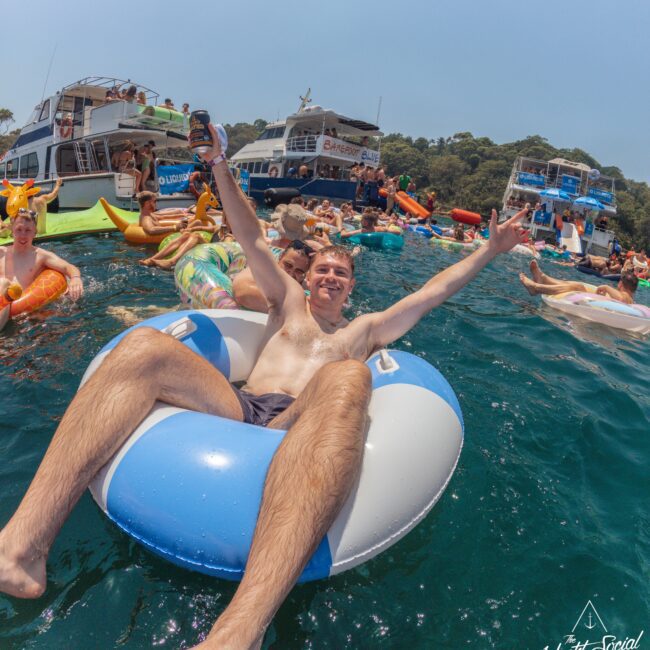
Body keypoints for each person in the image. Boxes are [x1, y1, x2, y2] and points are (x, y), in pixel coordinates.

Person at [0, 122, 527, 650]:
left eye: (340, 274)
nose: (330, 278)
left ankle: (239, 632)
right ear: (309, 275)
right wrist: (220, 165)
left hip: (300, 421)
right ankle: (21, 548)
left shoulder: (365, 332)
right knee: (141, 348)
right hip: (238, 404)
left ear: (351, 287)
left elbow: (432, 293)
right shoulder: (288, 303)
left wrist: (489, 251)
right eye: (323, 269)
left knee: (347, 376)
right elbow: (250, 236)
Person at [0, 209, 83, 300]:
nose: (23, 235)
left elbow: (67, 267)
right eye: (19, 229)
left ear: (35, 232)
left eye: (28, 230)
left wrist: (75, 278)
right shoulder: (1, 252)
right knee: (3, 283)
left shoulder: (41, 256)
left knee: (3, 283)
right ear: (12, 230)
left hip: (20, 305)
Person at [232, 240, 312, 312]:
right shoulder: (264, 269)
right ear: (281, 257)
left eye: (299, 271)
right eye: (288, 265)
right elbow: (242, 292)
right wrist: (292, 307)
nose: (291, 273)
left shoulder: (305, 286)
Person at [519, 260, 638, 304]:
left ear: (621, 284)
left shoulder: (626, 297)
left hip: (597, 309)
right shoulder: (630, 298)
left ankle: (537, 288)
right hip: (601, 305)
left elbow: (622, 300)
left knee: (578, 288)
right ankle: (544, 278)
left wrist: (606, 287)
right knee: (579, 286)